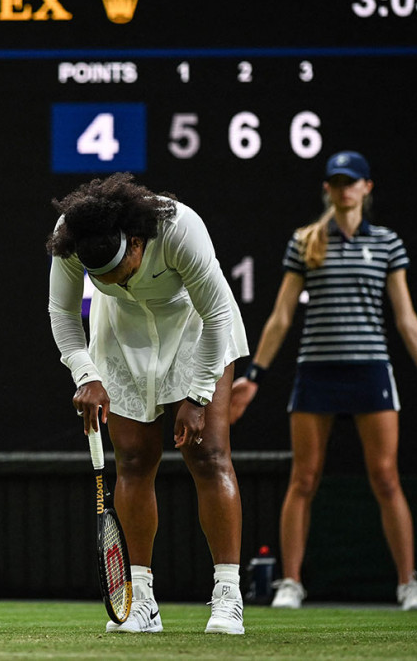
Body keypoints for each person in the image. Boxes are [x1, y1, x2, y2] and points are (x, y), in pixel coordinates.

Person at [229, 150, 417, 611]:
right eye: (336, 181)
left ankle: (407, 583)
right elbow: (281, 317)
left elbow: (406, 318)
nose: (344, 188)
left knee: (386, 477)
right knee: (304, 478)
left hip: (371, 370)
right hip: (316, 371)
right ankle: (291, 583)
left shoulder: (389, 243)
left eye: (352, 181)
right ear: (327, 189)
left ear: (367, 187)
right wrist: (253, 376)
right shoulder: (306, 241)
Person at [46, 172, 250, 635]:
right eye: (103, 279)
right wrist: (87, 375)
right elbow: (62, 313)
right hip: (120, 335)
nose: (114, 281)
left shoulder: (180, 228)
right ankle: (142, 601)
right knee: (134, 461)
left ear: (136, 243)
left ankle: (228, 594)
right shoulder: (71, 237)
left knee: (209, 455)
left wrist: (198, 395)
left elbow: (218, 314)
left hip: (196, 327)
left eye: (121, 272)